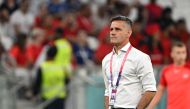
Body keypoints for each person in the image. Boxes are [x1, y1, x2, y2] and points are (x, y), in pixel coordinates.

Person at [102, 15, 157, 109]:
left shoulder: (141, 58)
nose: (113, 33)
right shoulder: (106, 59)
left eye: (117, 29)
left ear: (128, 33)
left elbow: (150, 90)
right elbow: (108, 90)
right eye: (111, 29)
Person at [147, 41, 190, 109]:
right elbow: (159, 92)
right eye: (178, 52)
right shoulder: (166, 71)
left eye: (183, 52)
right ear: (172, 54)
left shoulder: (188, 68)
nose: (181, 55)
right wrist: (149, 108)